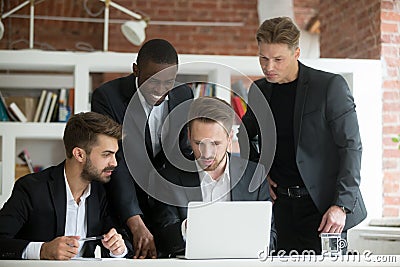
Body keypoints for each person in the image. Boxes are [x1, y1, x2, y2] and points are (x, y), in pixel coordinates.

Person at [237, 16, 367, 254]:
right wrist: (259, 172)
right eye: (263, 58)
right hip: (280, 209)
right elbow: (244, 135)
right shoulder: (259, 91)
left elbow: (351, 147)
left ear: (296, 53)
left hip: (324, 210)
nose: (269, 67)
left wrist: (341, 206)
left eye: (278, 59)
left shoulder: (329, 86)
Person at [91, 38, 193, 258]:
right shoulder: (108, 97)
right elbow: (115, 163)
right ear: (136, 70)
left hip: (166, 204)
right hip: (121, 203)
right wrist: (135, 222)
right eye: (152, 81)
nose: (160, 90)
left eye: (168, 82)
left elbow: (182, 153)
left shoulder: (184, 95)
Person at [147, 97, 277, 257]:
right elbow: (163, 240)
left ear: (229, 138)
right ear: (188, 136)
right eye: (199, 143)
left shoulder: (254, 175)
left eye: (215, 144)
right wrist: (188, 228)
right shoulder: (169, 178)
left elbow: (270, 239)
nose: (206, 154)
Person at [0, 112, 131, 260]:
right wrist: (42, 250)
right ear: (79, 154)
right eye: (107, 154)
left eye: (115, 154)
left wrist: (118, 248)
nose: (114, 163)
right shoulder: (31, 188)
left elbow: (123, 241)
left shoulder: (101, 193)